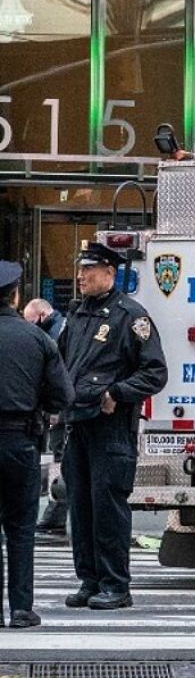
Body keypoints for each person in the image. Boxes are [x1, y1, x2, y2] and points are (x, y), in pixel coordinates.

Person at [58, 243, 167, 611]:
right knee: (81, 506)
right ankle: (89, 580)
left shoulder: (129, 316)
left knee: (108, 506)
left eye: (88, 269)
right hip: (77, 423)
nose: (80, 276)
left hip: (111, 426)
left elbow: (155, 372)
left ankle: (115, 584)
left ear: (109, 272)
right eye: (80, 269)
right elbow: (62, 363)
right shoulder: (77, 314)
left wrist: (117, 393)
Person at [0, 263, 73, 628]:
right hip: (20, 440)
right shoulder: (38, 339)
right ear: (15, 297)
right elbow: (63, 396)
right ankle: (21, 608)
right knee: (21, 528)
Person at [23, 298, 68, 535]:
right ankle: (55, 514)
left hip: (61, 411)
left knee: (61, 461)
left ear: (42, 315)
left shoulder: (54, 336)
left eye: (31, 322)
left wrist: (55, 410)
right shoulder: (61, 328)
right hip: (64, 408)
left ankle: (55, 515)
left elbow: (56, 376)